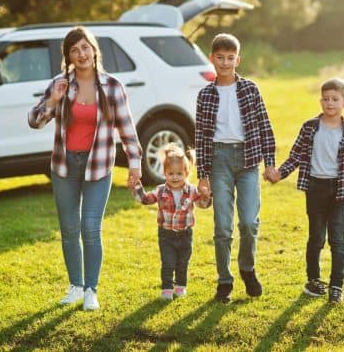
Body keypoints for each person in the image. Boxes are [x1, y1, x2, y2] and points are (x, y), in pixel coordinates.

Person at [28, 26, 142, 311]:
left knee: (90, 228)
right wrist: (53, 100)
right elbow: (34, 121)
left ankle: (91, 289)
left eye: (85, 47)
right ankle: (75, 286)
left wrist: (135, 163)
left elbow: (127, 129)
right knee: (69, 230)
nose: (81, 54)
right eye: (74, 50)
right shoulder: (60, 84)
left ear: (94, 50)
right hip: (65, 166)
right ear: (68, 56)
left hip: (99, 166)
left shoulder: (113, 86)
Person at [268, 78, 344, 304]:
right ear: (320, 101)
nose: (330, 103)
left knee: (338, 240)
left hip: (340, 191)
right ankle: (313, 281)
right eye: (326, 99)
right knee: (316, 237)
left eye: (335, 99)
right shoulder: (309, 127)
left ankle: (336, 285)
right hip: (315, 188)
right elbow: (295, 156)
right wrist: (279, 173)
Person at [195, 33, 276, 303]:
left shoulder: (250, 89)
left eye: (231, 58)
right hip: (219, 159)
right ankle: (224, 281)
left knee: (250, 222)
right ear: (212, 59)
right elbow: (201, 137)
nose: (225, 62)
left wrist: (270, 163)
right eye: (220, 58)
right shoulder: (205, 95)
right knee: (222, 226)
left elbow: (265, 126)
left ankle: (247, 268)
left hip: (249, 159)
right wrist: (202, 176)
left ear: (238, 60)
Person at [132, 144, 211, 300]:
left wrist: (206, 196)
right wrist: (136, 187)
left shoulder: (192, 191)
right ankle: (167, 288)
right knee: (168, 263)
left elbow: (203, 205)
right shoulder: (160, 190)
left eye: (179, 174)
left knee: (182, 263)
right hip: (166, 235)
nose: (175, 177)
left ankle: (180, 286)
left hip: (185, 235)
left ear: (187, 173)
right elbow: (146, 199)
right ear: (165, 173)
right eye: (171, 173)